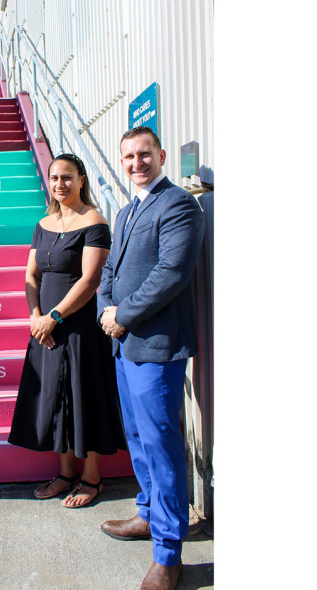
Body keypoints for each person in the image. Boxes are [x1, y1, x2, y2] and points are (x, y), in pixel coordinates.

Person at [97, 127, 205, 590]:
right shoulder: (125, 213)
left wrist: (123, 315)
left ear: (161, 156)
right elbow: (109, 268)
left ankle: (168, 553)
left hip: (156, 346)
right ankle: (148, 514)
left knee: (161, 446)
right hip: (124, 345)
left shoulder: (179, 204)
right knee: (139, 438)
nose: (136, 163)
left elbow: (171, 274)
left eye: (144, 154)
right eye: (128, 157)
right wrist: (105, 307)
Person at [7, 154, 128, 508]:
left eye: (68, 178)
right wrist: (35, 316)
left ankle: (91, 478)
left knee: (82, 396)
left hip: (78, 327)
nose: (60, 184)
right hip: (44, 327)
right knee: (55, 399)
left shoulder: (94, 222)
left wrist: (53, 317)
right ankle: (65, 474)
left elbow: (90, 281)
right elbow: (32, 276)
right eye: (55, 177)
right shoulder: (44, 223)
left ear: (81, 180)